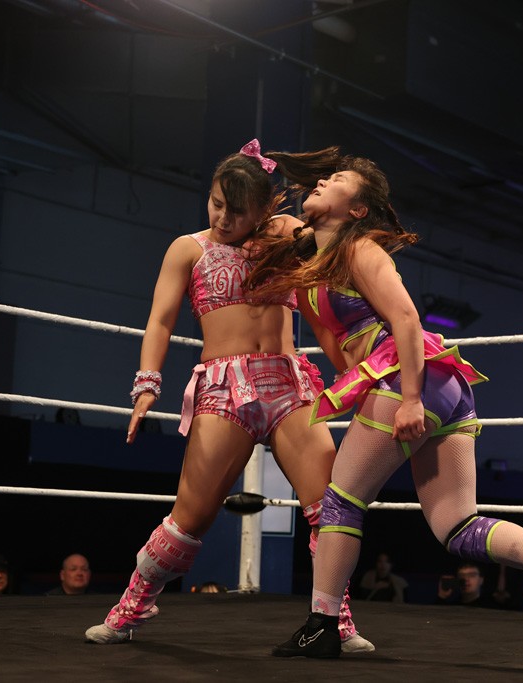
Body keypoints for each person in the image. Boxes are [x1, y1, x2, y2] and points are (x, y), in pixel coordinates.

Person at [244, 154, 523, 657]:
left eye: (338, 179)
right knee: (457, 527)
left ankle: (322, 626)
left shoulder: (359, 249)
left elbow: (407, 318)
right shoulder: (315, 260)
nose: (323, 180)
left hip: (408, 378)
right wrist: (251, 176)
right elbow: (265, 229)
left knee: (341, 503)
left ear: (357, 210)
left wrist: (411, 399)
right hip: (440, 386)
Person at [83, 140, 372, 653]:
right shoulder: (188, 248)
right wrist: (147, 384)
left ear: (262, 209)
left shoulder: (286, 233)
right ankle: (130, 607)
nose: (221, 218)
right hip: (223, 387)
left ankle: (335, 620)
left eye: (236, 211)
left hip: (288, 383)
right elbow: (160, 320)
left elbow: (336, 259)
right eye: (216, 203)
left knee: (329, 508)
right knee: (189, 518)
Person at [436, 561, 511, 610]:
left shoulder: (491, 607)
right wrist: (442, 596)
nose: (466, 579)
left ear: (481, 580)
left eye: (471, 575)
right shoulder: (452, 607)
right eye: (462, 575)